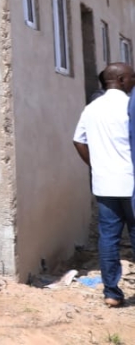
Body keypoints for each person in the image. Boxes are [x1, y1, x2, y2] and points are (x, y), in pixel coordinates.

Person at [73, 62, 135, 307]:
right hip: (130, 182)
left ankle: (111, 293)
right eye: (131, 77)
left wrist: (95, 165)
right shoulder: (128, 106)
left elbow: (78, 140)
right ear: (120, 80)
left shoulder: (92, 108)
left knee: (108, 238)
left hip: (104, 184)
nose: (133, 81)